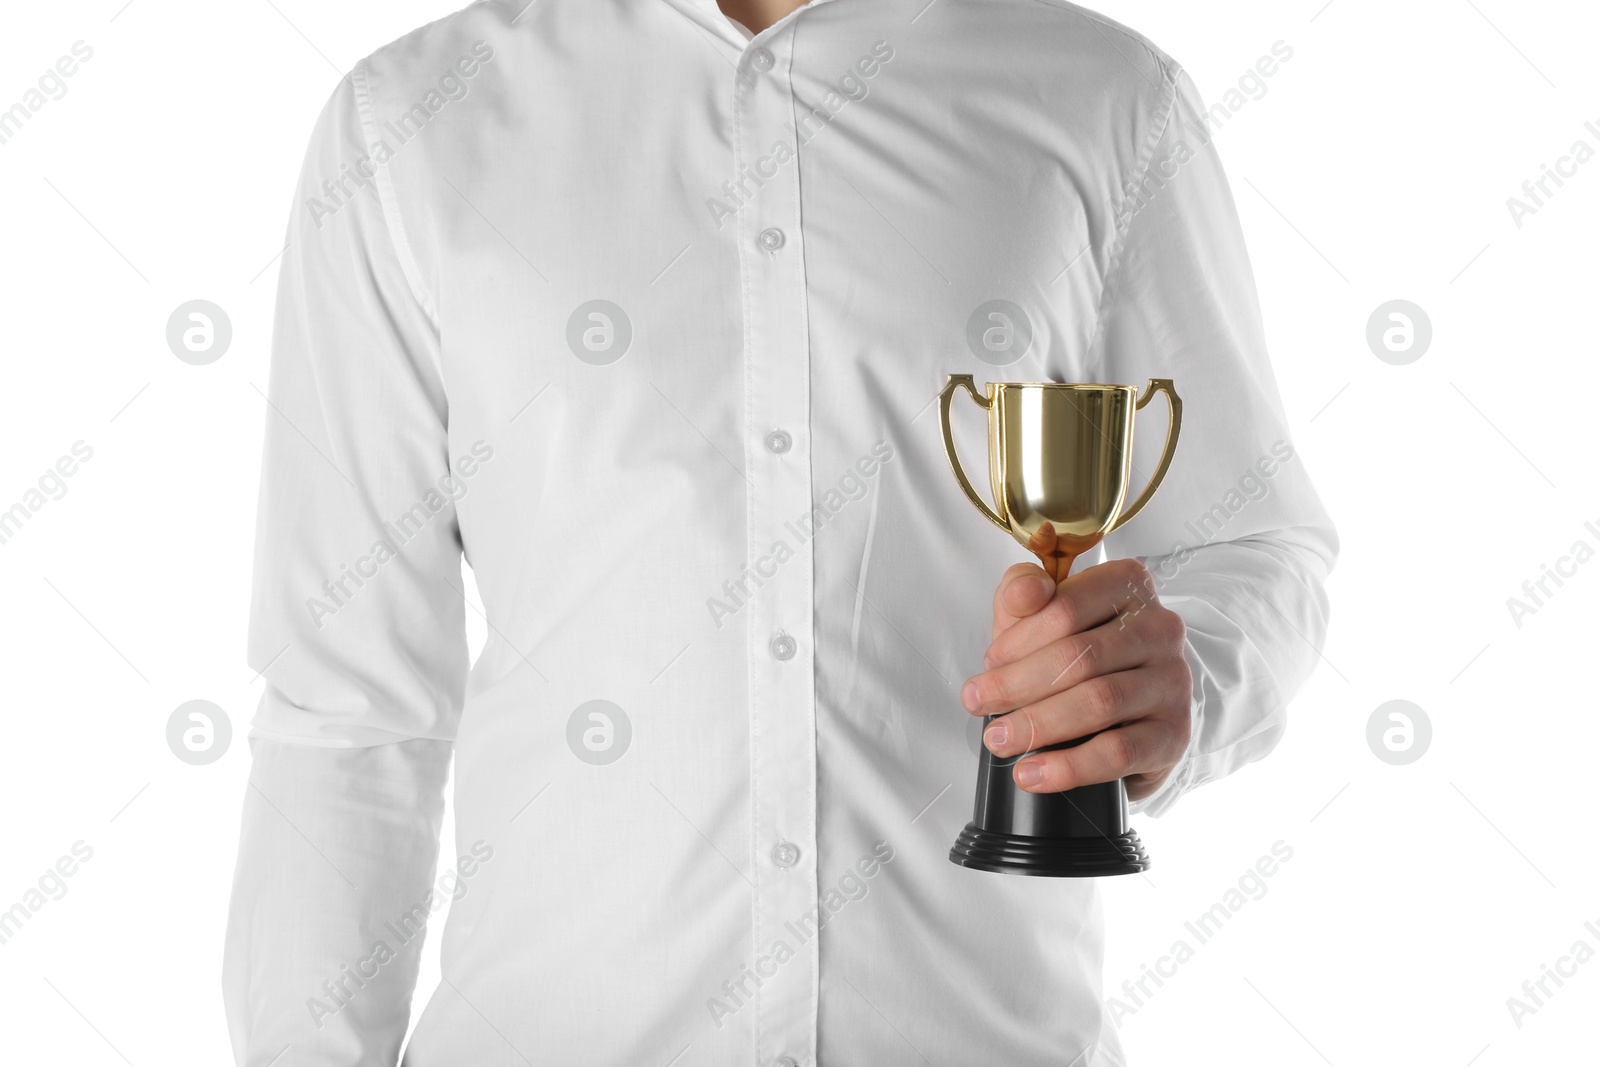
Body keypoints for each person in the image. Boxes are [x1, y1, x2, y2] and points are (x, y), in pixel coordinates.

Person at [223, 0, 1336, 1062]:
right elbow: (349, 704)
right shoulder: (411, 123)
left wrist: (1185, 682)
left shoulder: (1105, 99)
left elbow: (1252, 547)